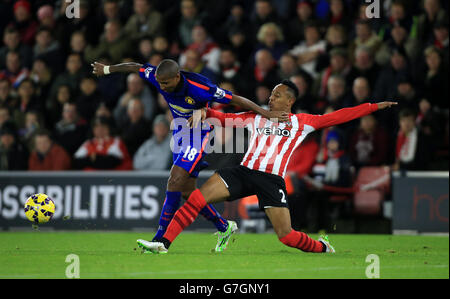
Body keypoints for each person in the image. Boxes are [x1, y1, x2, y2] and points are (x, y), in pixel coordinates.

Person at [136, 80, 397, 254]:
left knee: (286, 236)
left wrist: (374, 106)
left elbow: (339, 115)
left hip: (271, 180)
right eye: (271, 94)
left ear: (290, 101)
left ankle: (323, 247)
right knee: (195, 198)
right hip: (243, 171)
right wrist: (206, 112)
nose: (271, 98)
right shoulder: (255, 116)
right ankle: (163, 243)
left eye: (277, 95)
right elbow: (225, 117)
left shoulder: (302, 122)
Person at [91, 58, 289, 249]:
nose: (162, 87)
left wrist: (266, 114)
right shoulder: (157, 77)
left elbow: (236, 100)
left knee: (174, 181)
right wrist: (108, 69)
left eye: (166, 83)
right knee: (186, 190)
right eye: (160, 83)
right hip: (180, 133)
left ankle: (160, 238)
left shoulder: (201, 87)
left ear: (177, 77)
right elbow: (135, 67)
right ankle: (224, 226)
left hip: (199, 132)